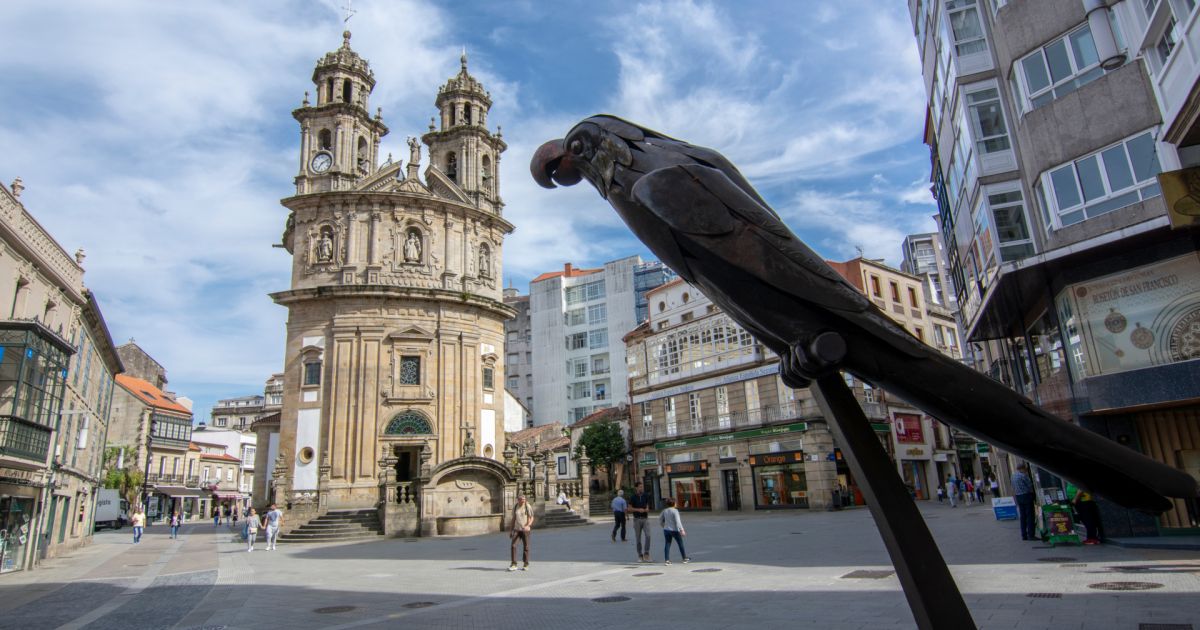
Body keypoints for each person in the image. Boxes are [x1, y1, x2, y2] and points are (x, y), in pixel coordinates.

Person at [1011, 463, 1037, 541]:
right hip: (1026, 496)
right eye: (1025, 469)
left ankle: (1024, 535)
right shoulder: (1023, 476)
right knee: (1030, 516)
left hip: (1018, 497)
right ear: (1022, 469)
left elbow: (1012, 486)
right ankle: (1031, 535)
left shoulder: (1013, 476)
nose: (1026, 470)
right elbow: (1030, 486)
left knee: (1022, 516)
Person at [660, 498, 689, 565]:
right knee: (680, 543)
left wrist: (663, 525)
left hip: (666, 530)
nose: (676, 503)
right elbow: (678, 521)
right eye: (675, 502)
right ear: (673, 504)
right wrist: (682, 530)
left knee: (667, 544)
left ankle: (667, 560)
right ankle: (684, 558)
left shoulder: (665, 511)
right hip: (674, 530)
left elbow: (660, 519)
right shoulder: (675, 511)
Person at [628, 482, 652, 562]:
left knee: (648, 536)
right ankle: (640, 555)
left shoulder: (646, 496)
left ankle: (646, 554)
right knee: (638, 538)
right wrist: (638, 509)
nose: (642, 488)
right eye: (640, 487)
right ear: (636, 488)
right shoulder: (633, 497)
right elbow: (629, 509)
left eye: (642, 487)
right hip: (637, 519)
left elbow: (648, 507)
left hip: (645, 519)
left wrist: (647, 509)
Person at [509, 495, 534, 571]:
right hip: (517, 529)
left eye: (524, 499)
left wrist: (528, 525)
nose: (523, 501)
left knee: (526, 546)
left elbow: (532, 517)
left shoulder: (527, 506)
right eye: (521, 499)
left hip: (525, 530)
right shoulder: (516, 506)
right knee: (513, 545)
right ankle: (514, 564)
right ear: (518, 500)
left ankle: (526, 564)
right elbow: (513, 519)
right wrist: (511, 530)